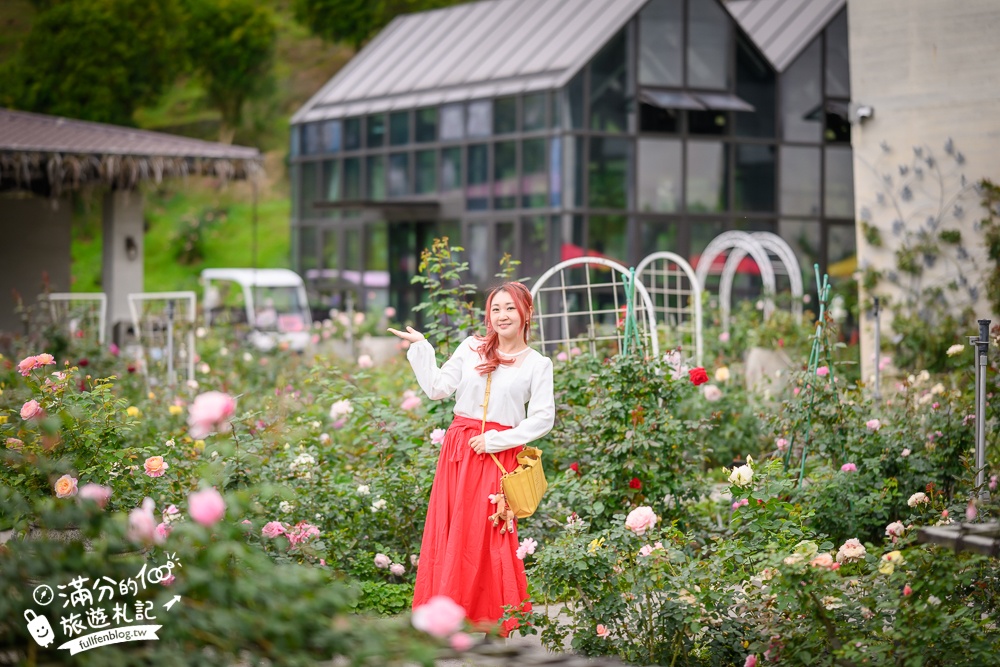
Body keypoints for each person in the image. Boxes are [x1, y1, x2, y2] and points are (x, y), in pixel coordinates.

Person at [388, 281, 555, 636]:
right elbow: (437, 388)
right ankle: (447, 620)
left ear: (526, 313)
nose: (502, 315)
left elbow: (542, 418)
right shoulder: (470, 348)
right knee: (452, 531)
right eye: (495, 309)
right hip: (459, 453)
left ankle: (491, 621)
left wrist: (498, 440)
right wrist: (423, 349)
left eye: (510, 308)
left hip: (496, 456)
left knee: (488, 536)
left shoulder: (538, 364)